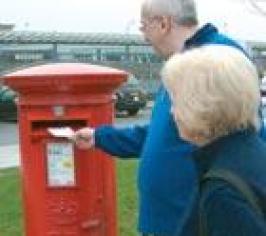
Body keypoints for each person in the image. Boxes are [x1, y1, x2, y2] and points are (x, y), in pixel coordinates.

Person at [73, 0, 263, 235]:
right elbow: (159, 133)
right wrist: (100, 137)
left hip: (200, 216)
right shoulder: (180, 65)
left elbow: (247, 135)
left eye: (143, 26)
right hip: (170, 219)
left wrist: (221, 194)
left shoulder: (216, 57)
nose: (143, 36)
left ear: (163, 24)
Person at [162, 45, 266, 236]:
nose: (172, 112)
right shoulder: (252, 153)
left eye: (176, 100)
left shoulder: (223, 192)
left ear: (203, 104)